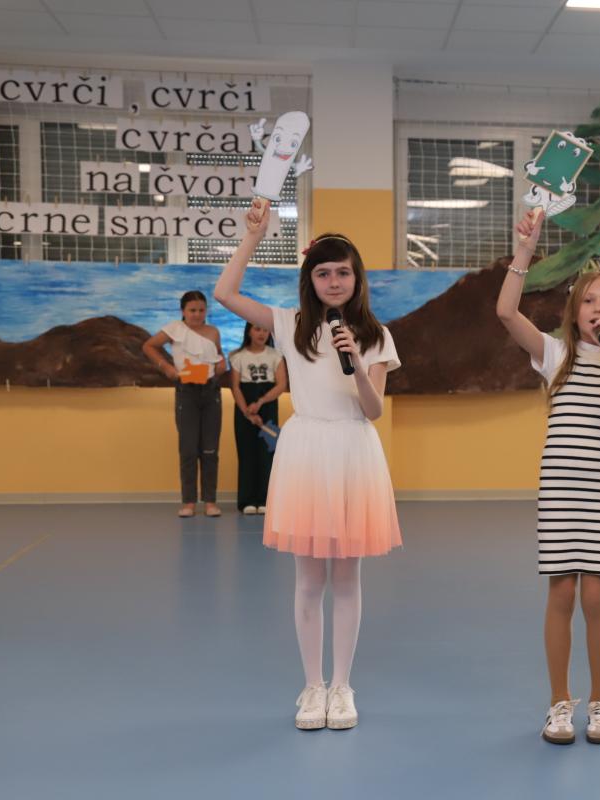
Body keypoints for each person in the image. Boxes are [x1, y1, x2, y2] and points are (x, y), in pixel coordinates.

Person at [214, 198, 402, 731]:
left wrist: (357, 364)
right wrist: (253, 236)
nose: (334, 282)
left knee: (346, 579)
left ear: (357, 278)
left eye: (343, 272)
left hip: (353, 451)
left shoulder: (375, 335)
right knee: (308, 581)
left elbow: (373, 410)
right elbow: (225, 294)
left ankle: (342, 686)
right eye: (323, 273)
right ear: (310, 279)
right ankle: (312, 686)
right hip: (306, 453)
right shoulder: (288, 324)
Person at [496, 211, 600, 746]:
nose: (598, 309)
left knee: (596, 599)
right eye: (589, 301)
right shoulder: (554, 353)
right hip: (560, 492)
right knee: (561, 593)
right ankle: (559, 703)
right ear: (574, 310)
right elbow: (505, 311)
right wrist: (524, 250)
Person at [142, 290, 226, 518]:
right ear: (183, 311)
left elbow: (218, 356)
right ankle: (188, 502)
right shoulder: (174, 329)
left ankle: (210, 501)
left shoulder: (213, 331)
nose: (197, 314)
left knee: (210, 449)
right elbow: (148, 346)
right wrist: (166, 367)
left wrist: (222, 363)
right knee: (188, 449)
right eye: (192, 310)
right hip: (187, 391)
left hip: (211, 391)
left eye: (201, 310)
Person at [228, 322, 287, 515]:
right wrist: (247, 411)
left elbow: (281, 385)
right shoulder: (237, 356)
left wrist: (260, 402)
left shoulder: (275, 355)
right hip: (244, 405)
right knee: (246, 452)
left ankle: (265, 500)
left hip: (268, 406)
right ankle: (247, 500)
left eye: (265, 330)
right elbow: (235, 387)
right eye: (257, 329)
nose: (261, 333)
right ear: (249, 331)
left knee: (267, 452)